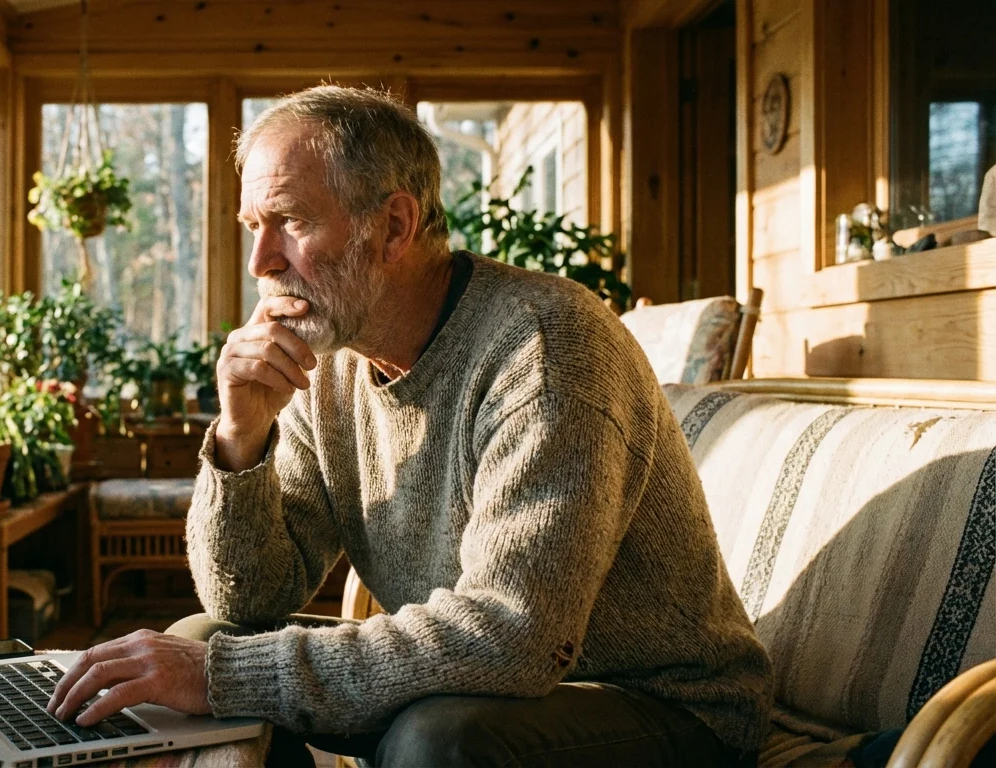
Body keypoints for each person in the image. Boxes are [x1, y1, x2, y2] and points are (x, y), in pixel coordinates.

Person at [47, 85, 773, 766]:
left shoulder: (547, 347)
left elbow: (512, 635)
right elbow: (249, 600)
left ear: (393, 225)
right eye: (253, 228)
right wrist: (242, 440)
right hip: (487, 681)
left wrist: (224, 677)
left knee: (433, 741)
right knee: (204, 639)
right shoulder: (329, 362)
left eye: (291, 222)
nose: (262, 261)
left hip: (664, 705)